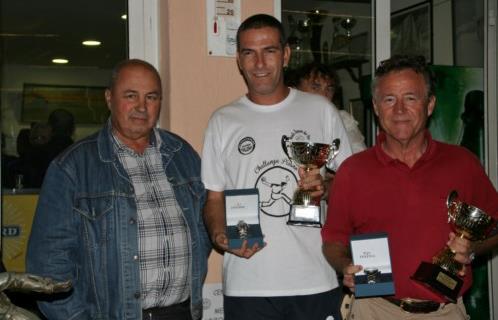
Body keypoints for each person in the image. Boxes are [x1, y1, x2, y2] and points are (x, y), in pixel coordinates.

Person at [26, 59, 211, 320]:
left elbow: (204, 228)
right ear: (109, 98)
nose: (141, 107)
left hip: (181, 313)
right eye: (130, 95)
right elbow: (47, 267)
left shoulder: (182, 155)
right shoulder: (73, 167)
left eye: (151, 97)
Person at [321, 55, 498, 319]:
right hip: (374, 310)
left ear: (430, 105)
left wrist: (471, 249)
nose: (400, 110)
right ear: (376, 107)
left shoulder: (463, 163)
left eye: (411, 98)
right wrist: (346, 265)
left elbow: (495, 226)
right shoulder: (353, 171)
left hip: (446, 313)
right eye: (389, 99)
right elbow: (333, 240)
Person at [202, 14, 353, 320]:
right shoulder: (223, 120)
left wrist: (325, 188)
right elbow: (214, 199)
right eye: (249, 52)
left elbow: (351, 184)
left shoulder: (320, 110)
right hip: (248, 286)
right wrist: (220, 235)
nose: (259, 63)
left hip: (314, 279)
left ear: (285, 55)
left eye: (268, 51)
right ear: (239, 60)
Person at [293, 62, 367, 154]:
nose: (324, 95)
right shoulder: (287, 119)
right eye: (315, 87)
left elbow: (359, 157)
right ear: (296, 90)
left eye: (329, 89)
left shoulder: (343, 119)